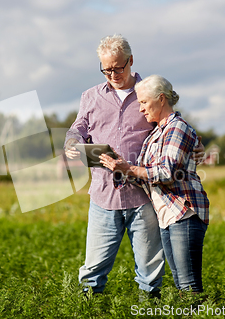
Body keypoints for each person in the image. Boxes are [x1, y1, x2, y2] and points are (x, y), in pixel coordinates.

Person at [64, 35, 205, 297]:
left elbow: (172, 123)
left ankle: (148, 309)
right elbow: (77, 129)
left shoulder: (147, 92)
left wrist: (195, 144)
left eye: (118, 67)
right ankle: (86, 311)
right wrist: (72, 142)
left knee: (150, 272)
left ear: (130, 61)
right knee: (93, 270)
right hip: (104, 196)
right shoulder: (91, 97)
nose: (113, 74)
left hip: (144, 197)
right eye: (106, 69)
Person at [99, 74, 210, 293]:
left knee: (188, 286)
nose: (140, 109)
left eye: (143, 102)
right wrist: (118, 168)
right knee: (181, 283)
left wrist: (128, 169)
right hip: (167, 216)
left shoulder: (177, 128)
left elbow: (166, 173)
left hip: (184, 212)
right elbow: (147, 175)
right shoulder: (155, 133)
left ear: (161, 99)